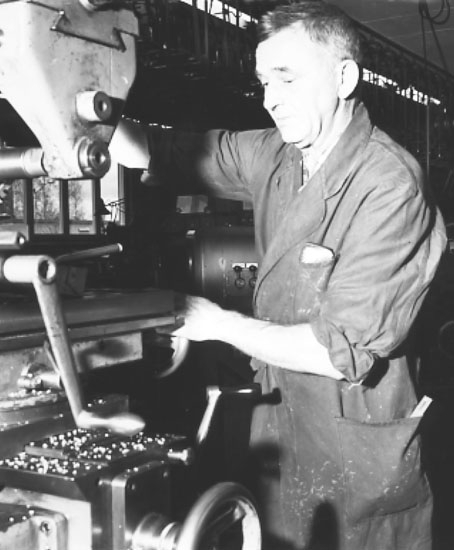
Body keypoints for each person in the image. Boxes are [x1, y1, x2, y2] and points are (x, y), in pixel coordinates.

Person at [110, 1, 447, 548]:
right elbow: (158, 151)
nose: (270, 98)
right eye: (265, 81)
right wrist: (76, 112)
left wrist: (214, 322)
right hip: (281, 425)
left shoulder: (390, 186)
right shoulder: (276, 154)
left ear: (344, 78)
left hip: (354, 442)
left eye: (287, 78)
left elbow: (335, 352)